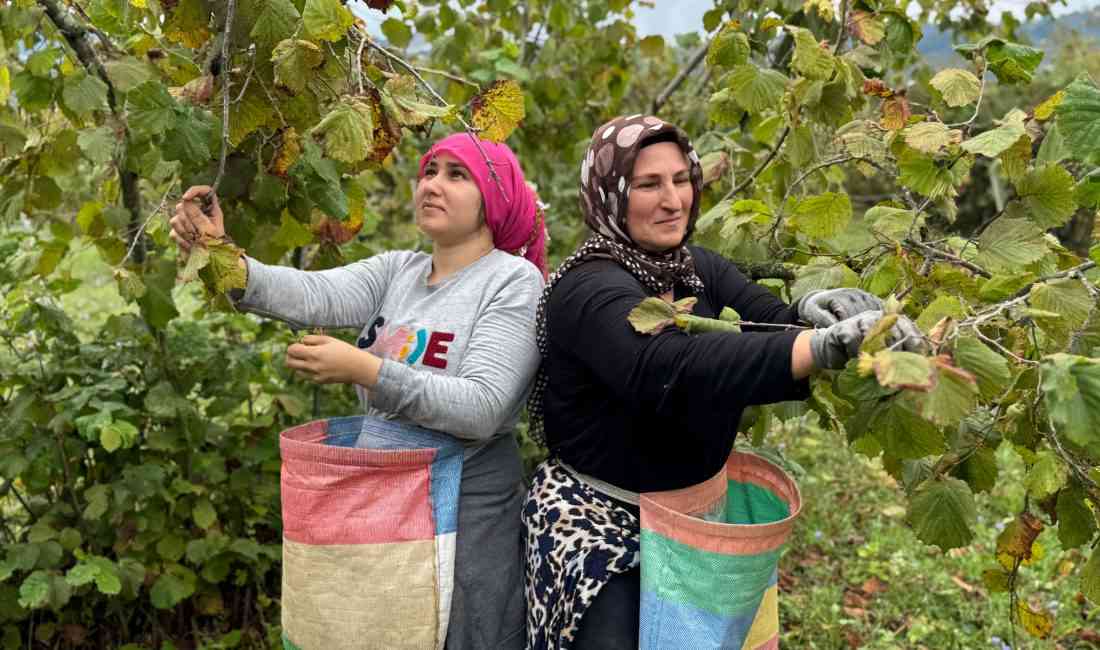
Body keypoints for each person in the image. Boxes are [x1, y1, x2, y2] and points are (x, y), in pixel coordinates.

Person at [522, 115, 922, 649]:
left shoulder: (697, 269)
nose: (673, 200)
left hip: (696, 524)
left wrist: (813, 311)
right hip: (597, 529)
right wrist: (821, 345)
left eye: (680, 179)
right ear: (609, 195)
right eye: (648, 184)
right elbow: (666, 367)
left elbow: (769, 326)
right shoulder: (587, 288)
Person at [170, 132, 547, 650]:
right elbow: (310, 292)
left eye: (457, 175)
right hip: (385, 509)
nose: (432, 185)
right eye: (430, 171)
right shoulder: (399, 271)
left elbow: (481, 408)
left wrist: (367, 370)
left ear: (495, 198)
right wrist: (221, 255)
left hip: (464, 524)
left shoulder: (512, 282)